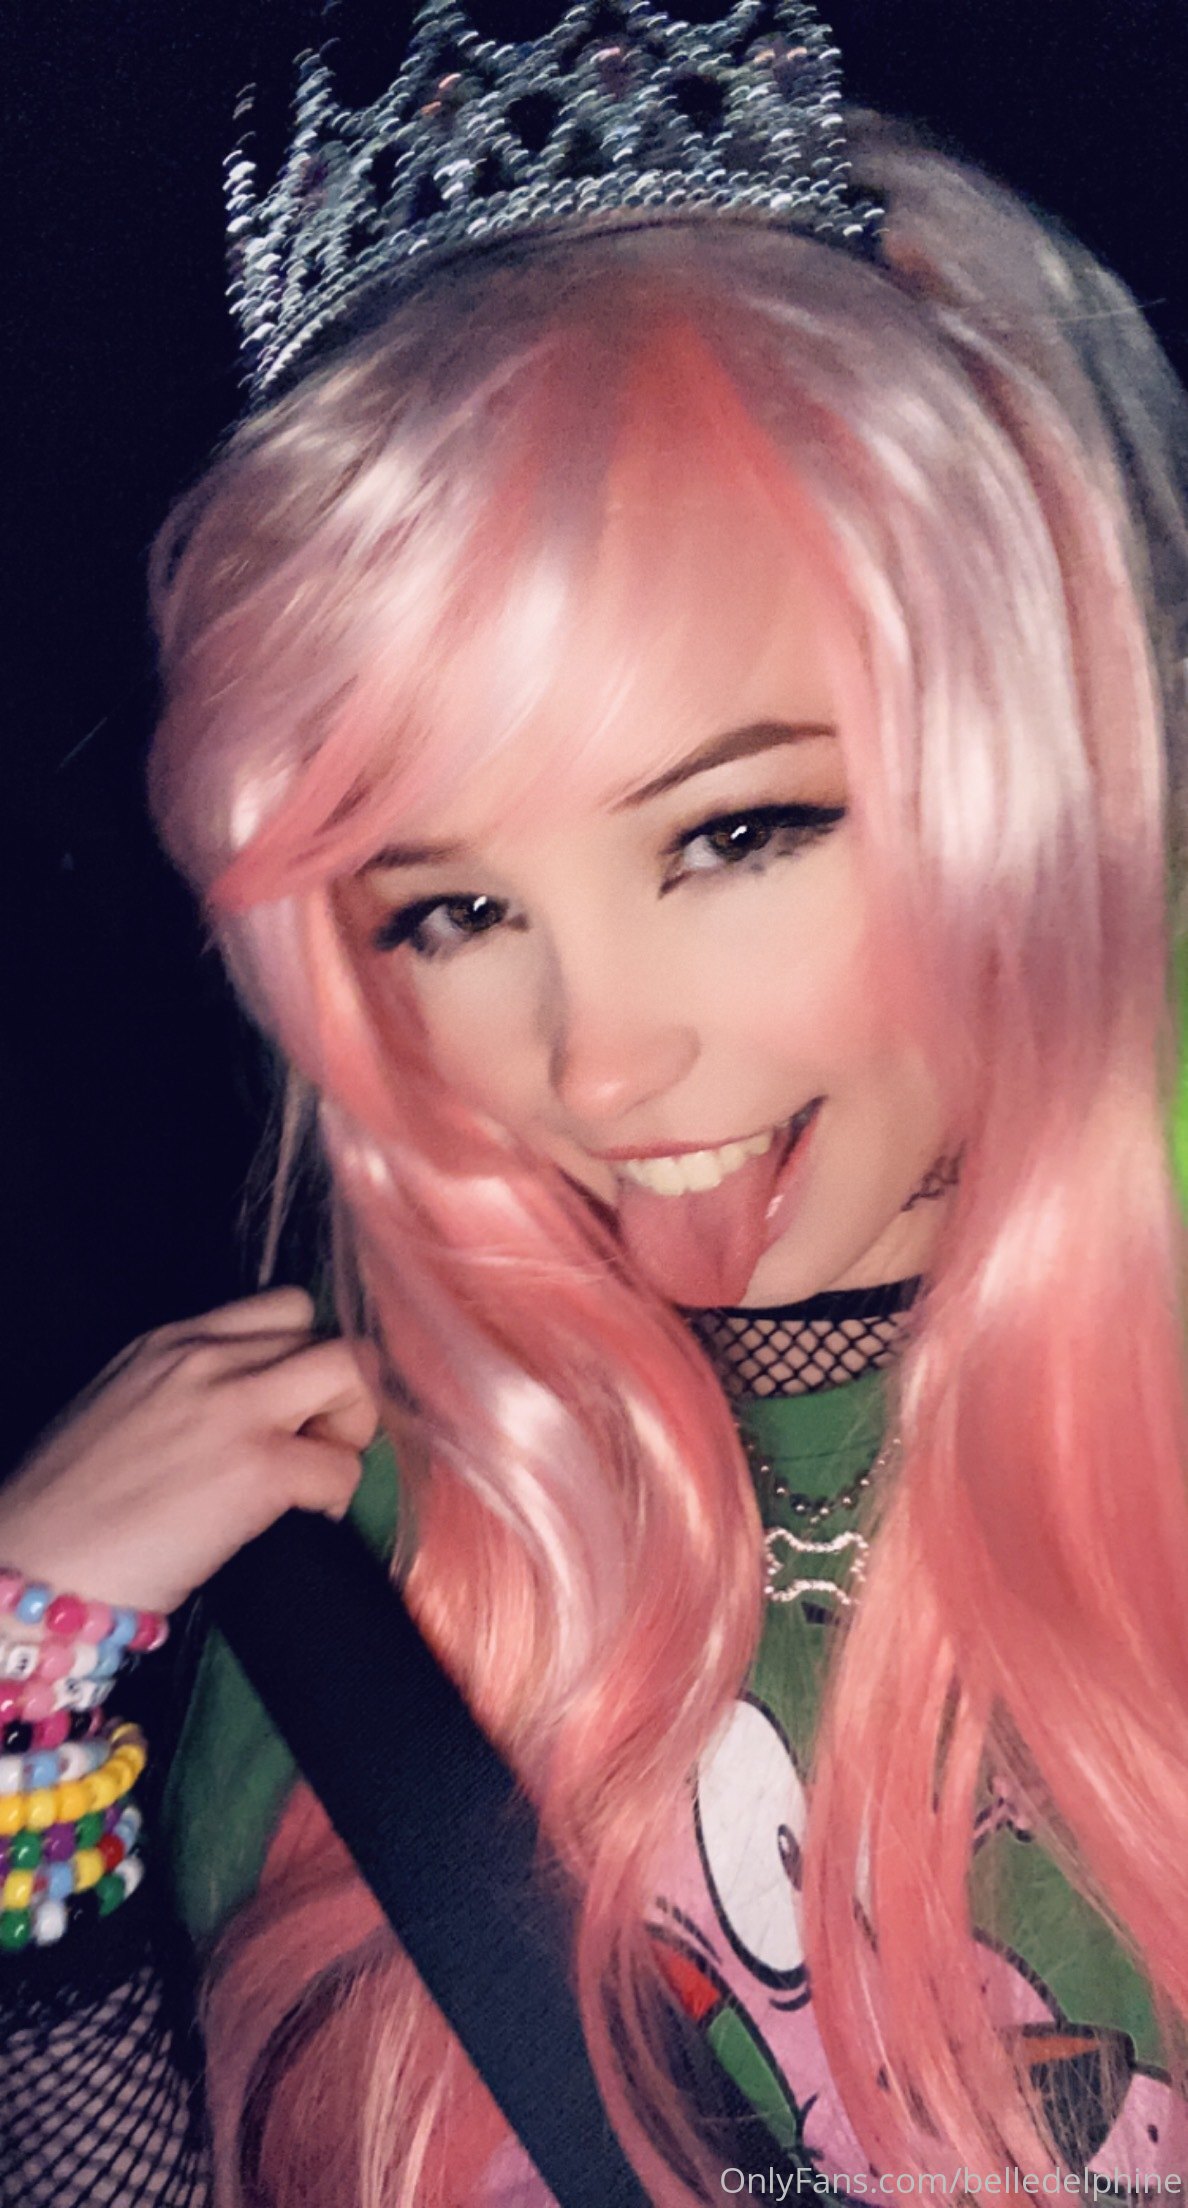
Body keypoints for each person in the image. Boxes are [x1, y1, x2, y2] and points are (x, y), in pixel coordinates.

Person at [3, 1, 1188, 2199]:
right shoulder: (366, 1549)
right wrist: (27, 1676)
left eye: (737, 832)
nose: (599, 1061)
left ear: (1021, 763)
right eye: (449, 909)